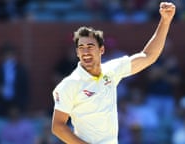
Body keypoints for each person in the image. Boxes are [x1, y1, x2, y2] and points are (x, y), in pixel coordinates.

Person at [51, 2, 176, 144]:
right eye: (81, 47)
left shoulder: (111, 70)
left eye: (90, 46)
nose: (85, 51)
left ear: (101, 50)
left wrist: (165, 21)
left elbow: (148, 56)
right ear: (77, 53)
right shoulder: (69, 84)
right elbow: (58, 127)